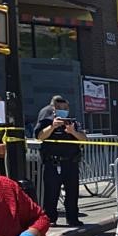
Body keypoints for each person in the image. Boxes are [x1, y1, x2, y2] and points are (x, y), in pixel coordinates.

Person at [34, 96, 86, 226]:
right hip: (53, 162)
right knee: (51, 192)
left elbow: (84, 139)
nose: (63, 110)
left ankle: (73, 218)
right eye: (59, 108)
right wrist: (52, 127)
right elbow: (40, 136)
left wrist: (73, 132)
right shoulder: (47, 121)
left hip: (70, 162)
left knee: (72, 192)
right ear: (54, 109)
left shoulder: (73, 123)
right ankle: (50, 219)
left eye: (65, 108)